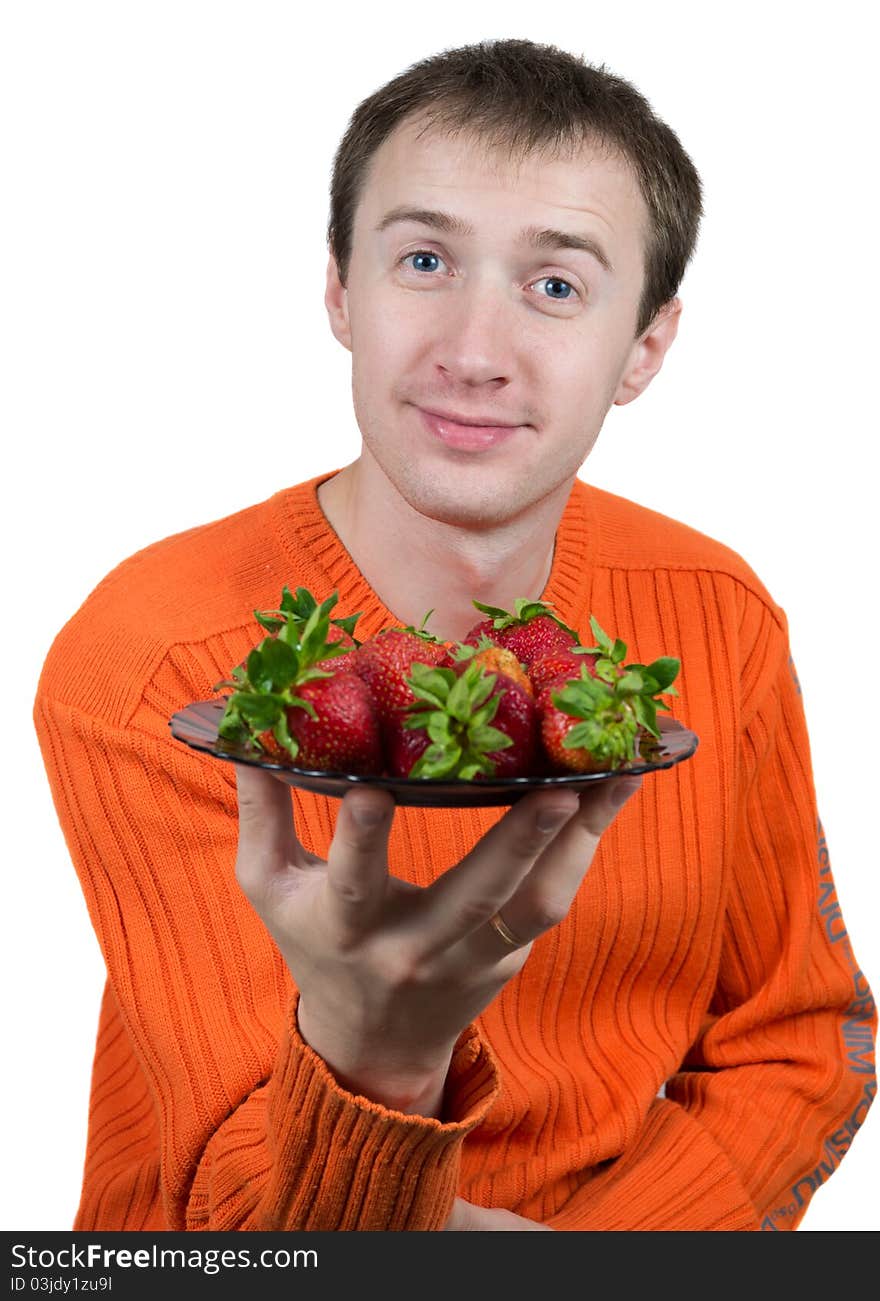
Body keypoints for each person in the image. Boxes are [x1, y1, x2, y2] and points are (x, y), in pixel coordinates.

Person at [33, 37, 876, 1232]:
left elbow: (799, 1038)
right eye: (423, 259)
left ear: (644, 345)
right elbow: (230, 1206)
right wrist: (379, 1061)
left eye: (555, 286)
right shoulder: (157, 657)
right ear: (339, 290)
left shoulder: (714, 611)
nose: (473, 354)